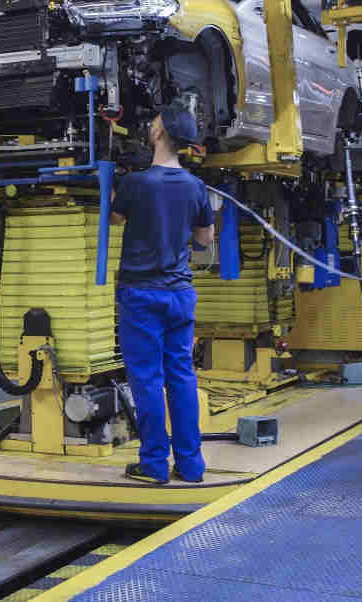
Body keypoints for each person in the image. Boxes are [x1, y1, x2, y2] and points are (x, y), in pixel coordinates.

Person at [111, 105, 214, 485]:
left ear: (158, 135)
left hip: (141, 295)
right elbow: (205, 240)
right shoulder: (196, 186)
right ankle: (191, 466)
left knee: (147, 379)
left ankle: (154, 464)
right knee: (182, 377)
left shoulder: (137, 184)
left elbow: (116, 218)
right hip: (180, 294)